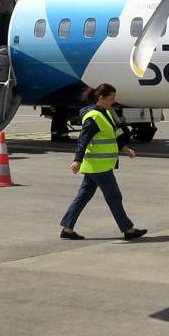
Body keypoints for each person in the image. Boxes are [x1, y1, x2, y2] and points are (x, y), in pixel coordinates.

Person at [60, 84, 147, 240]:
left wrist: (125, 149)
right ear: (101, 98)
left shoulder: (105, 113)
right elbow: (83, 139)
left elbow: (111, 134)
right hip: (98, 166)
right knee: (114, 197)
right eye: (111, 99)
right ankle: (128, 230)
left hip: (98, 165)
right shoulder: (93, 117)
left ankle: (67, 228)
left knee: (83, 196)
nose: (113, 102)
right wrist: (77, 160)